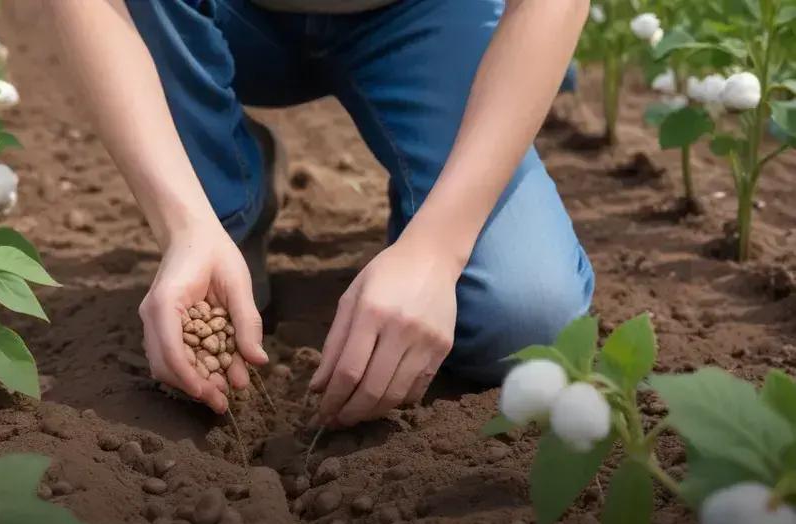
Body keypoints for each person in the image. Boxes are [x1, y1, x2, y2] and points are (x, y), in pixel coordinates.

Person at [49, 0, 595, 428]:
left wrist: (436, 247)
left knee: (525, 319)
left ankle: (424, 211)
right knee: (205, 249)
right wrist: (184, 224)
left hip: (423, 14)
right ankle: (228, 203)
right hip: (215, 11)